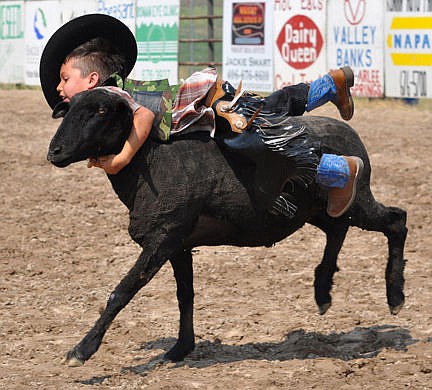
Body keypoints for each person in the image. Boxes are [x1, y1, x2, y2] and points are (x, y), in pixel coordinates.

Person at [40, 14, 362, 218]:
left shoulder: (109, 94)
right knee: (270, 109)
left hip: (206, 103)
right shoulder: (109, 94)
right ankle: (328, 86)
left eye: (65, 79)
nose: (59, 87)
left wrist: (121, 160)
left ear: (93, 80)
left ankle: (337, 170)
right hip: (207, 100)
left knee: (257, 140)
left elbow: (144, 119)